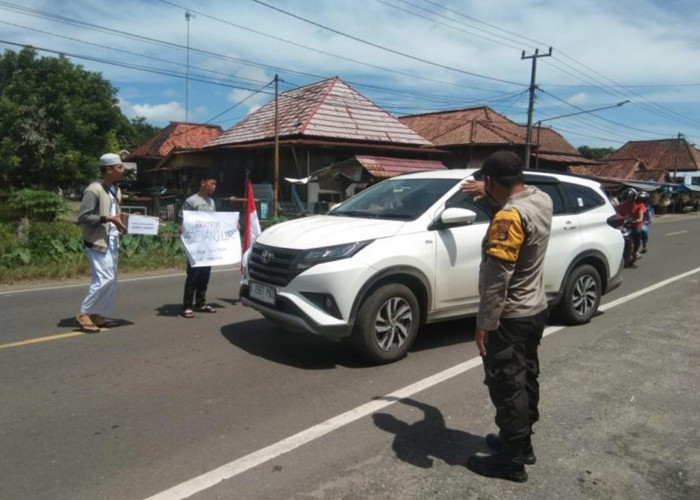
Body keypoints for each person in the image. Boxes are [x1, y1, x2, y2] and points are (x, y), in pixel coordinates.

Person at [460, 150, 553, 483]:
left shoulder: (508, 219)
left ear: (490, 180)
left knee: (507, 385)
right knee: (526, 376)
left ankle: (511, 461)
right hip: (535, 309)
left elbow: (497, 278)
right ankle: (523, 444)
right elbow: (515, 198)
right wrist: (488, 192)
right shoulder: (541, 200)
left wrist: (485, 324)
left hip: (509, 317)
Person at [75, 153, 126, 333]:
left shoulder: (115, 190)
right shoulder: (94, 189)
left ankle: (97, 315)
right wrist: (108, 219)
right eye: (119, 167)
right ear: (109, 169)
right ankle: (84, 313)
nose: (123, 170)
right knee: (104, 278)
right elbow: (83, 217)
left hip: (111, 240)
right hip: (97, 240)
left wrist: (126, 220)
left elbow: (116, 214)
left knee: (111, 280)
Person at [179, 172, 218, 318]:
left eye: (215, 185)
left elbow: (216, 221)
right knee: (193, 275)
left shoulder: (212, 202)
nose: (213, 187)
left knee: (205, 275)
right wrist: (182, 226)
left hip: (207, 245)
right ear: (203, 183)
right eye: (212, 183)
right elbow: (182, 218)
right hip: (194, 245)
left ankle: (200, 302)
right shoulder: (191, 201)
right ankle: (187, 306)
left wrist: (232, 225)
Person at [616, 188, 645, 259]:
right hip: (625, 225)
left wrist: (637, 220)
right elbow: (619, 216)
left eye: (630, 197)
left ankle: (636, 251)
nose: (628, 199)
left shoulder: (640, 205)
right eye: (627, 197)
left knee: (637, 233)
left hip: (636, 225)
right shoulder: (621, 206)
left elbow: (641, 217)